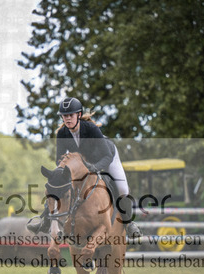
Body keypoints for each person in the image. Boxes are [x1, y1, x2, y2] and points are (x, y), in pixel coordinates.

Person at [27, 97, 142, 238]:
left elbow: (107, 156)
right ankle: (45, 220)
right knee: (57, 185)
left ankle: (129, 223)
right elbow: (59, 159)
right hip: (84, 163)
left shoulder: (91, 129)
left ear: (79, 115)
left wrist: (94, 168)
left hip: (106, 157)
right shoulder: (62, 133)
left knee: (123, 189)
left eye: (71, 115)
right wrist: (61, 174)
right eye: (64, 116)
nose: (67, 119)